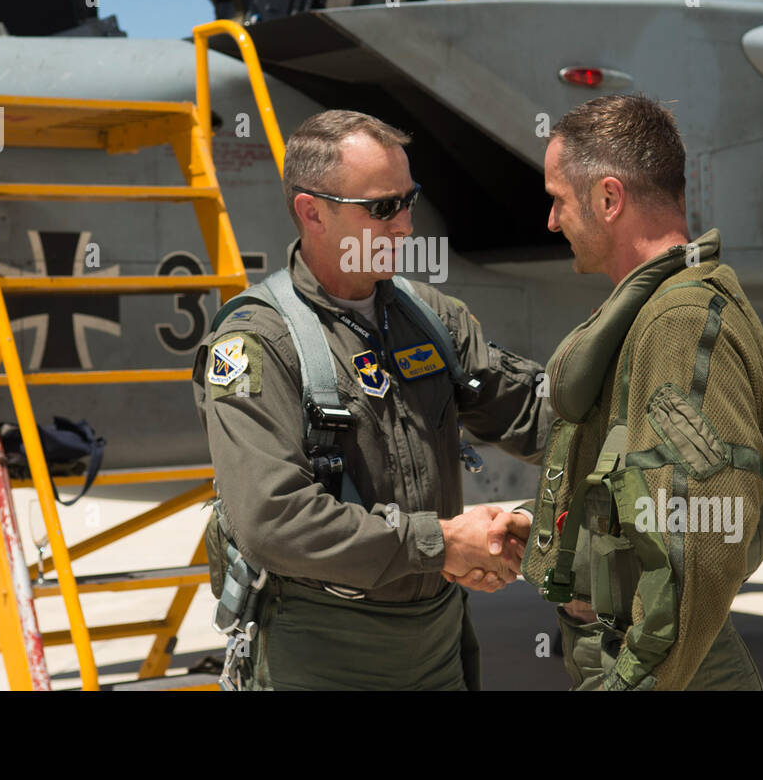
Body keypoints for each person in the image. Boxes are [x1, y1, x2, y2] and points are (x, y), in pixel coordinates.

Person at [192, 109, 551, 691]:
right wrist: (442, 543)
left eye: (409, 200)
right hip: (323, 656)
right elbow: (274, 519)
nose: (407, 226)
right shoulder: (257, 343)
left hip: (435, 648)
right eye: (383, 207)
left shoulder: (433, 320)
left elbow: (536, 414)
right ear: (312, 211)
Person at [516, 93, 763, 690]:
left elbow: (697, 546)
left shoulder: (679, 323)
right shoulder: (653, 311)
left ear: (609, 198)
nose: (551, 220)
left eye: (558, 200)